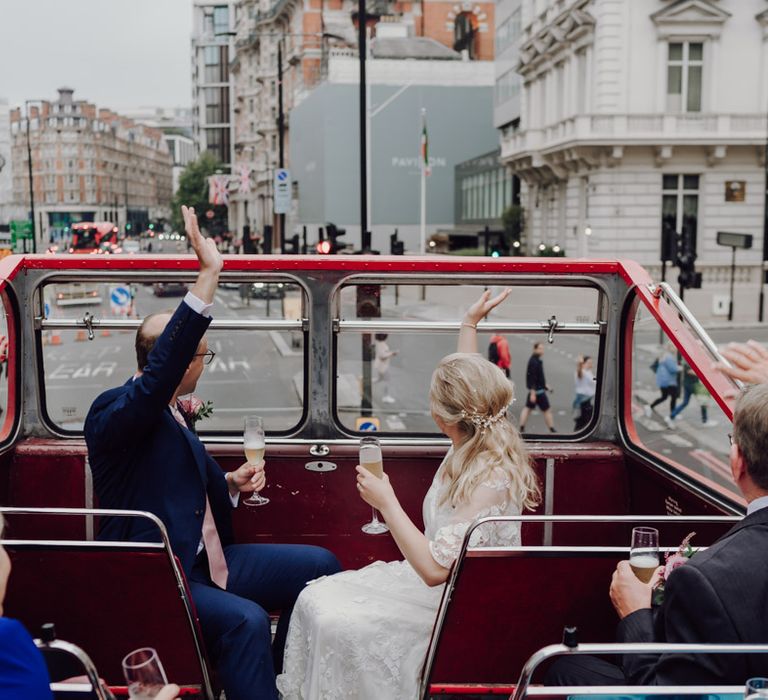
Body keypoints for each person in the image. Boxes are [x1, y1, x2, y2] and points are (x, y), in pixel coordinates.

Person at [84, 206, 340, 700]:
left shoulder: (176, 411)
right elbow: (159, 377)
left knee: (320, 566)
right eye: (201, 353)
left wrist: (228, 484)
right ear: (173, 361)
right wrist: (208, 274)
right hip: (161, 570)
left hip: (208, 559)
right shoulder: (115, 410)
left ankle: (273, 680)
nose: (205, 361)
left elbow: (170, 475)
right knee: (244, 620)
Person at [276, 290, 540, 699]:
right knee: (315, 596)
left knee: (334, 620)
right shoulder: (472, 439)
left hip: (457, 606)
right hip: (433, 589)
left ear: (441, 419)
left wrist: (387, 502)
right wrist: (469, 323)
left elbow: (436, 570)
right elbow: (468, 380)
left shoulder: (492, 477)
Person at [547, 382, 768, 686]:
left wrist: (635, 612)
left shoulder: (706, 579)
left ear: (737, 462)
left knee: (561, 669)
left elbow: (665, 694)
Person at [519, 342, 555, 433]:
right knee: (547, 410)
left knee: (528, 409)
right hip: (537, 391)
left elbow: (539, 377)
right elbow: (532, 378)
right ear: (534, 349)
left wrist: (546, 386)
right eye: (540, 348)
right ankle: (552, 429)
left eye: (542, 348)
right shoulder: (534, 362)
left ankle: (522, 427)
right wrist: (533, 393)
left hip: (538, 389)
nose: (542, 350)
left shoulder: (536, 360)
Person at [644, 344, 679, 423]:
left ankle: (650, 406)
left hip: (663, 381)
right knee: (673, 397)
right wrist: (680, 368)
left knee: (664, 397)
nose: (676, 349)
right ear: (671, 348)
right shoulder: (669, 357)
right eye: (675, 347)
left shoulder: (664, 355)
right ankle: (672, 415)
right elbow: (673, 369)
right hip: (669, 381)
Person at [373, 333, 399, 404]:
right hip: (383, 366)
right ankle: (386, 396)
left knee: (380, 379)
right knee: (387, 380)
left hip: (380, 365)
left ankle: (367, 384)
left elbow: (383, 353)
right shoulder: (381, 344)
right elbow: (382, 356)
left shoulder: (378, 342)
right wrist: (392, 353)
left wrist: (391, 352)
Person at [573, 355, 596, 431]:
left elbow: (594, 380)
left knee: (584, 420)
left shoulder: (588, 372)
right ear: (583, 363)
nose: (591, 364)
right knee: (583, 420)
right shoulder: (581, 372)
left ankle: (577, 434)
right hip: (582, 399)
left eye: (591, 362)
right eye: (589, 362)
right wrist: (579, 364)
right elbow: (581, 374)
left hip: (587, 399)